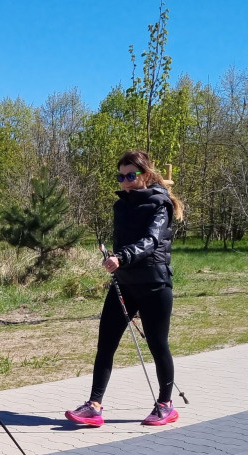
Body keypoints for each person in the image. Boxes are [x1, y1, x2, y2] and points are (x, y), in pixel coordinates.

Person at [66, 150, 181, 428]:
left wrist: (123, 257)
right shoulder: (121, 205)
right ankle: (94, 405)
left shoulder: (160, 203)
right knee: (105, 344)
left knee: (157, 344)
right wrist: (112, 258)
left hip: (154, 282)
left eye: (131, 175)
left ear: (146, 174)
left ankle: (165, 404)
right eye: (121, 176)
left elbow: (152, 241)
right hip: (124, 284)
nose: (126, 181)